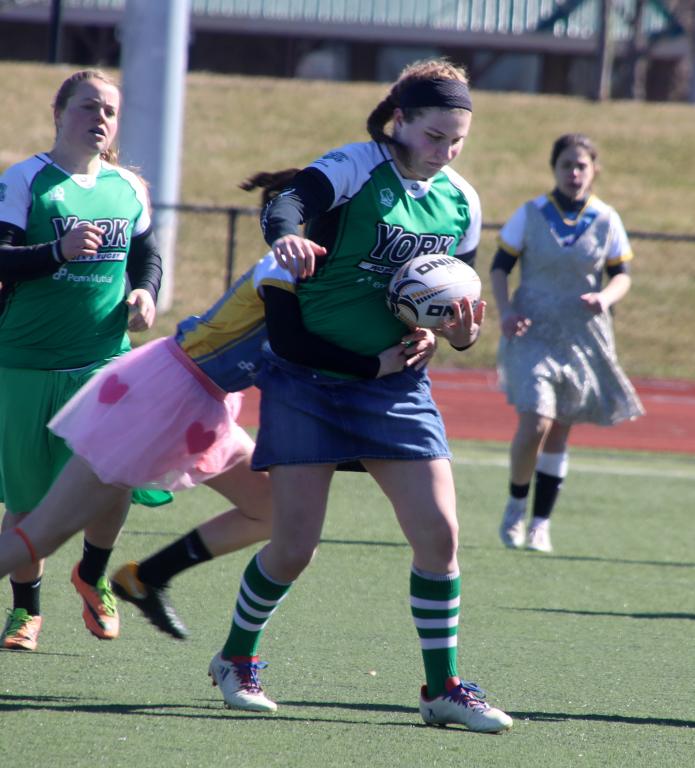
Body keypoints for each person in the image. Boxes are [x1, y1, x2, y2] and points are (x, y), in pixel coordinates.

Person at [207, 59, 512, 733]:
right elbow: (289, 200)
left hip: (395, 382)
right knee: (294, 547)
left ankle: (443, 688)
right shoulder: (355, 165)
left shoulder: (461, 200)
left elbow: (447, 299)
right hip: (309, 381)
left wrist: (453, 336)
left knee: (439, 536)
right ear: (400, 121)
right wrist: (287, 235)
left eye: (457, 141)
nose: (445, 152)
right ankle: (236, 657)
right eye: (435, 137)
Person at [0, 171, 435, 642]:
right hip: (165, 395)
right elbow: (294, 347)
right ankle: (94, 582)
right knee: (42, 533)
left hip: (206, 406)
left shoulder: (337, 286)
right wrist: (374, 367)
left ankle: (146, 577)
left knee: (271, 509)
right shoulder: (283, 267)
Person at [0, 70, 163, 651]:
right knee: (25, 503)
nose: (101, 119)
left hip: (102, 361)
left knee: (115, 476)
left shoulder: (128, 188)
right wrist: (56, 252)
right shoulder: (25, 180)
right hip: (23, 363)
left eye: (111, 111)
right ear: (60, 112)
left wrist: (145, 294)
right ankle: (26, 612)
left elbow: (146, 258)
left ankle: (93, 573)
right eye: (89, 106)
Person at [492, 133, 643, 553]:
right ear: (554, 169)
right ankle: (515, 504)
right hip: (533, 329)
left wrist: (605, 298)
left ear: (595, 170)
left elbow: (622, 274)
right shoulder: (531, 213)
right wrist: (505, 311)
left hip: (581, 334)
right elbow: (501, 266)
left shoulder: (606, 219)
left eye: (582, 165)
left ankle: (541, 522)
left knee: (559, 430)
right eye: (566, 165)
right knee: (535, 421)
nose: (574, 173)